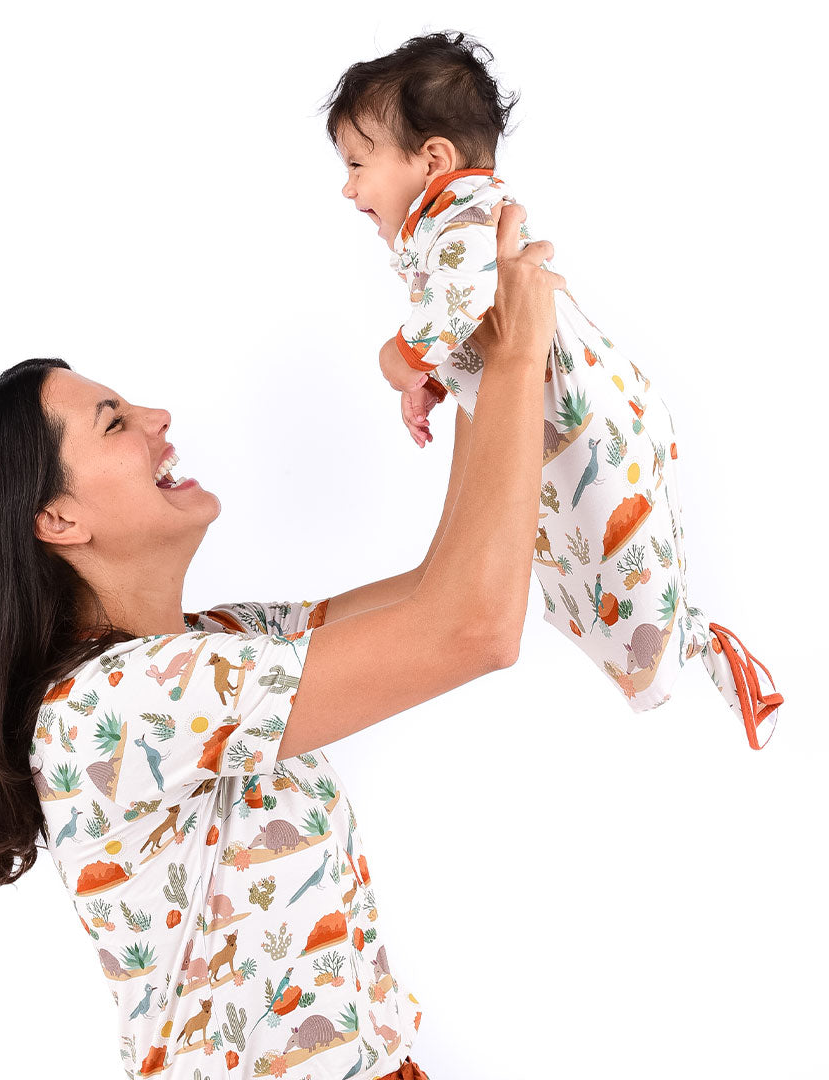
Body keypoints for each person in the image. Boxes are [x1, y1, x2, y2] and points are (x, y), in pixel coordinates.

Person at [0, 202, 561, 1079]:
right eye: (114, 422)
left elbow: (445, 582)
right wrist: (519, 355)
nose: (157, 416)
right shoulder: (114, 706)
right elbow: (473, 628)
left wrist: (468, 357)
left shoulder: (219, 644)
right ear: (56, 518)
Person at [323, 30, 783, 747]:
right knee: (571, 565)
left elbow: (463, 295)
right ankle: (694, 647)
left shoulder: (467, 214)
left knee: (614, 567)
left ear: (433, 159)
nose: (348, 188)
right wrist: (439, 378)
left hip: (586, 423)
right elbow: (474, 316)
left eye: (357, 163)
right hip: (576, 419)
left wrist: (402, 357)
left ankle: (704, 650)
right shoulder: (455, 223)